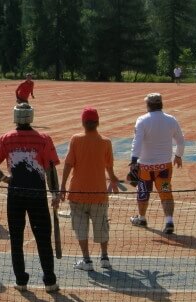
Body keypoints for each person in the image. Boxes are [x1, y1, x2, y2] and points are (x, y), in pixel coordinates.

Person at [0, 102, 60, 293]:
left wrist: (3, 178)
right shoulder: (44, 139)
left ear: (15, 116)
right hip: (37, 195)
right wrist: (55, 193)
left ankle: (21, 281)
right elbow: (51, 170)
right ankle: (50, 281)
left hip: (15, 195)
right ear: (31, 117)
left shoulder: (6, 139)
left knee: (16, 239)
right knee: (43, 237)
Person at [60, 106, 120, 271]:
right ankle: (104, 257)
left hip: (77, 193)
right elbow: (109, 167)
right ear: (98, 122)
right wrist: (113, 179)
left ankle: (86, 260)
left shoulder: (76, 139)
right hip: (99, 194)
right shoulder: (106, 142)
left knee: (80, 228)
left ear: (83, 123)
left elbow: (68, 165)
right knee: (101, 226)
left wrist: (62, 186)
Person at [128, 93, 185, 235]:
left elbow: (137, 142)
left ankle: (141, 218)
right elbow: (181, 141)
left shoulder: (142, 120)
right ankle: (169, 221)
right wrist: (178, 156)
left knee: (142, 192)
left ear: (148, 105)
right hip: (164, 168)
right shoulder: (171, 120)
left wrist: (134, 161)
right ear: (161, 104)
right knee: (166, 192)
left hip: (145, 167)